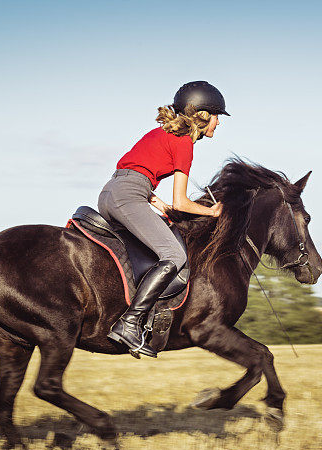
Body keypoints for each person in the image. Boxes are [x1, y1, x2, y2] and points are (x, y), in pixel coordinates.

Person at [98, 81, 229, 358]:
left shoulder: (161, 133)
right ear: (203, 115)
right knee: (173, 255)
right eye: (217, 116)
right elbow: (182, 202)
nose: (218, 122)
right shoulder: (184, 143)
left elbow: (138, 169)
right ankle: (130, 323)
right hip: (129, 195)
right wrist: (211, 212)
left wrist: (155, 200)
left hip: (112, 193)